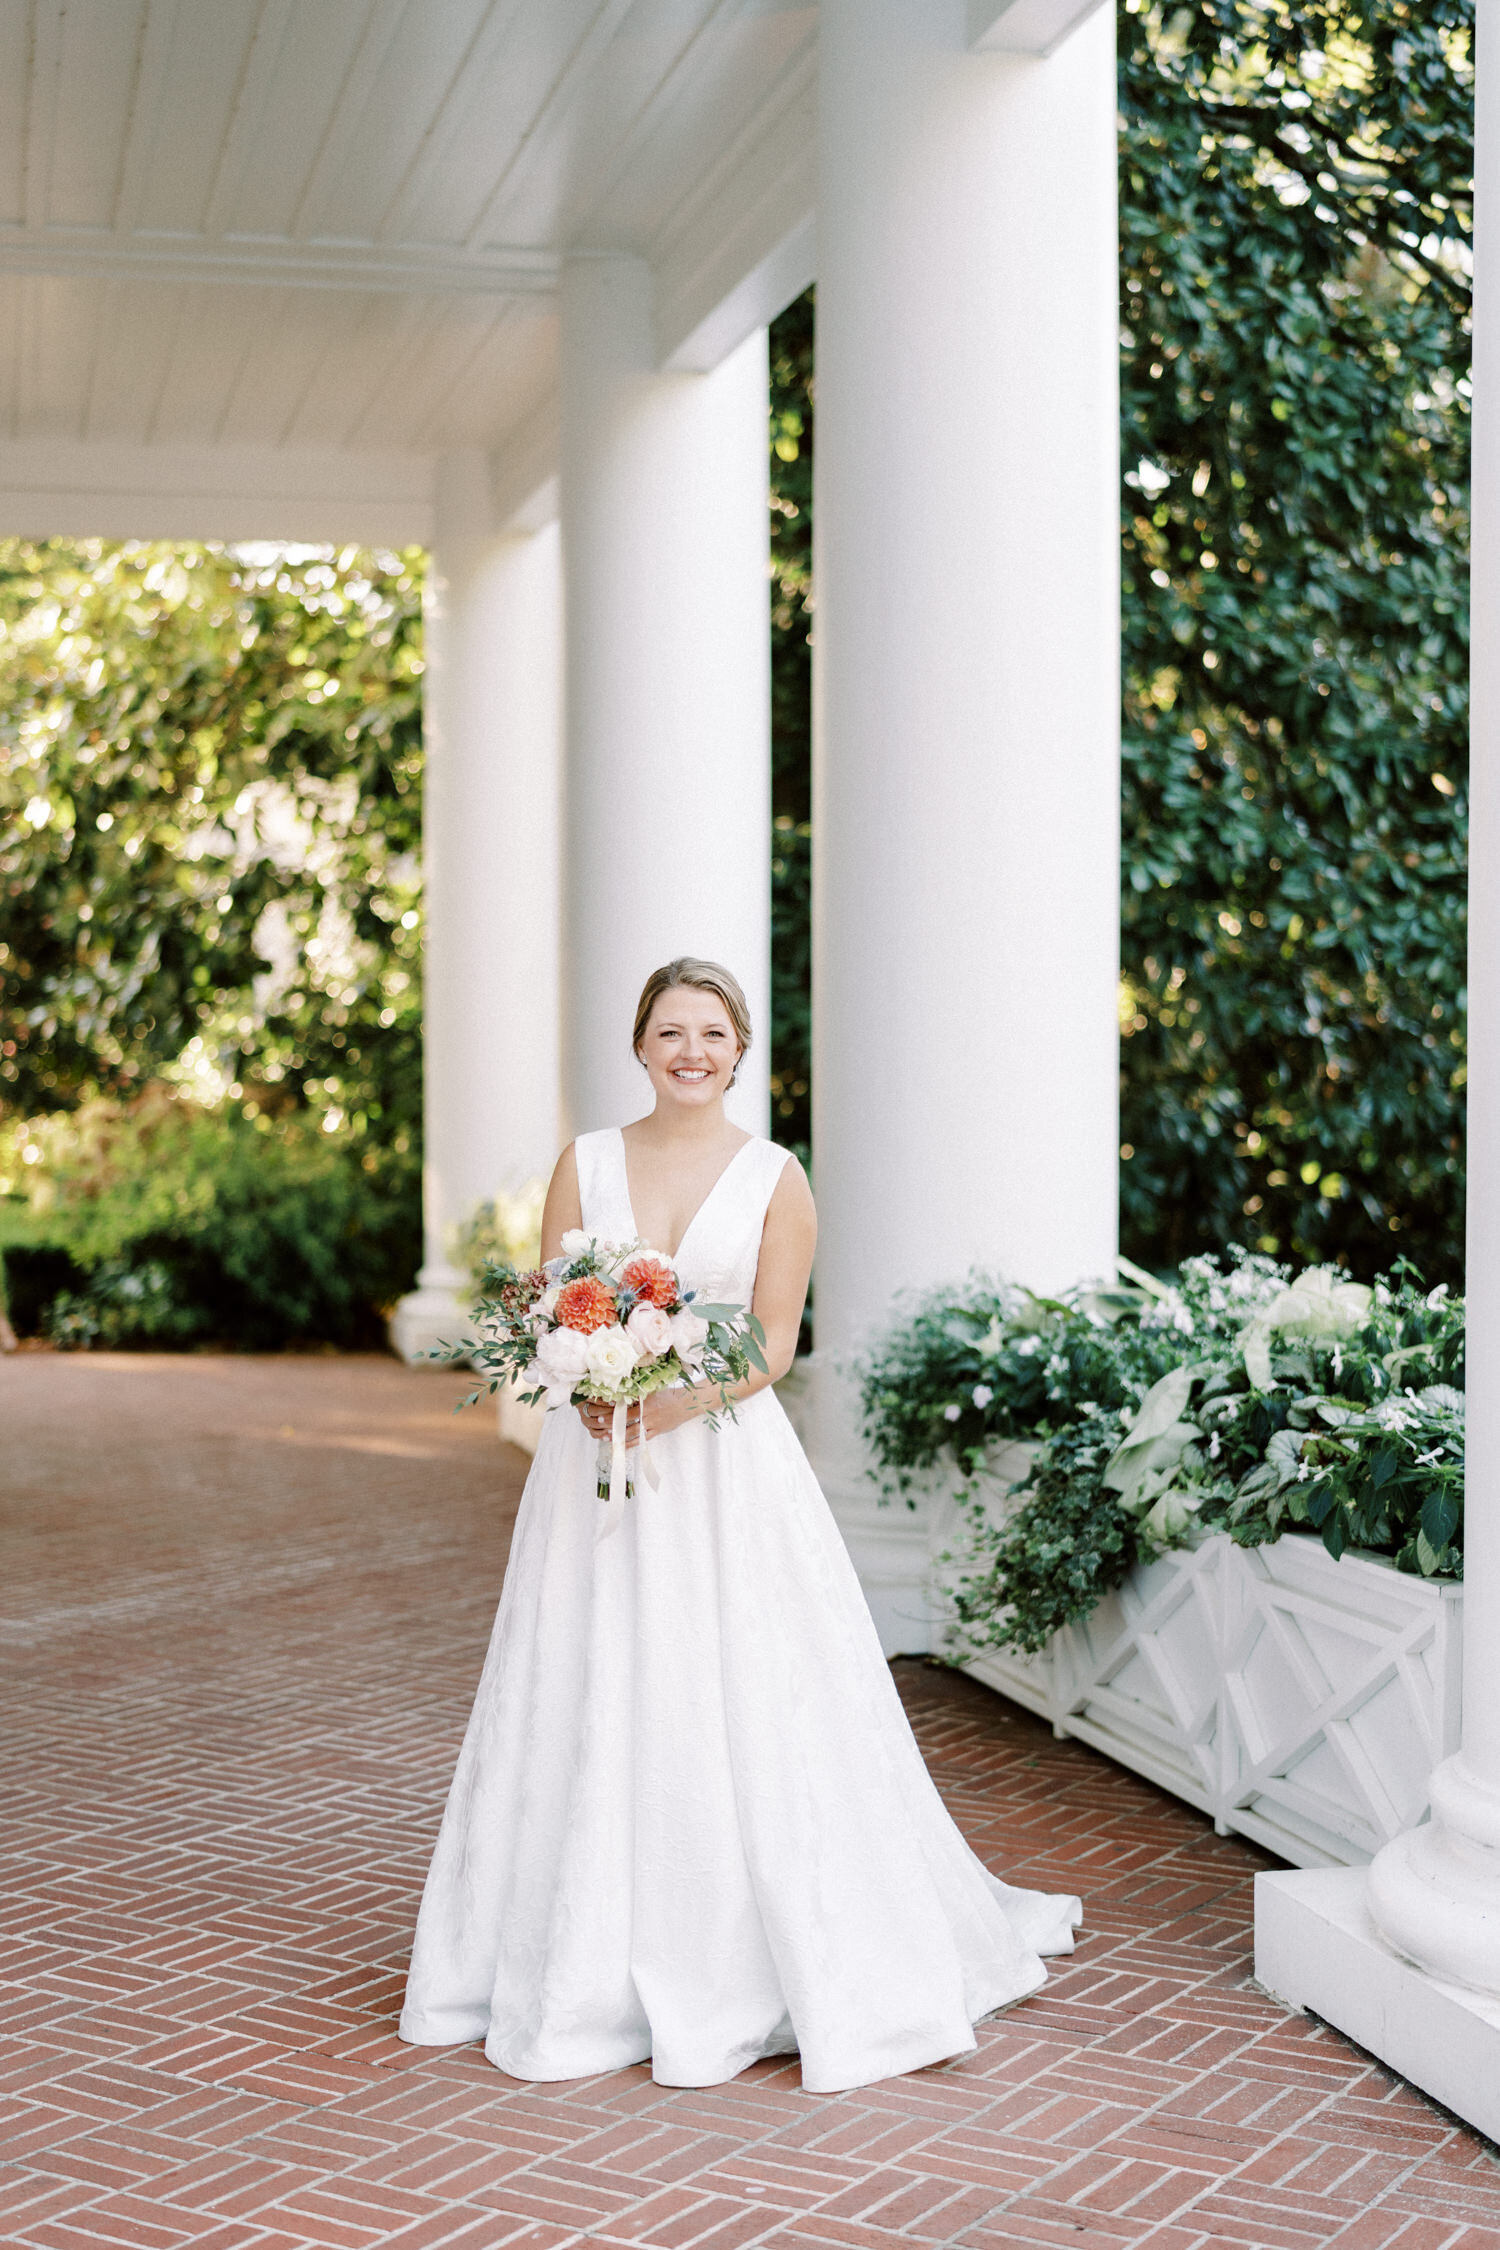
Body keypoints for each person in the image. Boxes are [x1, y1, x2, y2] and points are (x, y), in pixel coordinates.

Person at [398, 956, 1081, 2093]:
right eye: (670, 1030)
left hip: (721, 1465)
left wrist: (674, 1400)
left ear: (740, 1047)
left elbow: (775, 1341)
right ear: (640, 1045)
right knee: (585, 1673)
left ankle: (750, 1945)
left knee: (741, 1680)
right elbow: (543, 1309)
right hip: (595, 1466)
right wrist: (595, 1380)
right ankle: (578, 1950)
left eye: (711, 1032)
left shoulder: (775, 1176)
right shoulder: (587, 1163)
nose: (691, 1050)